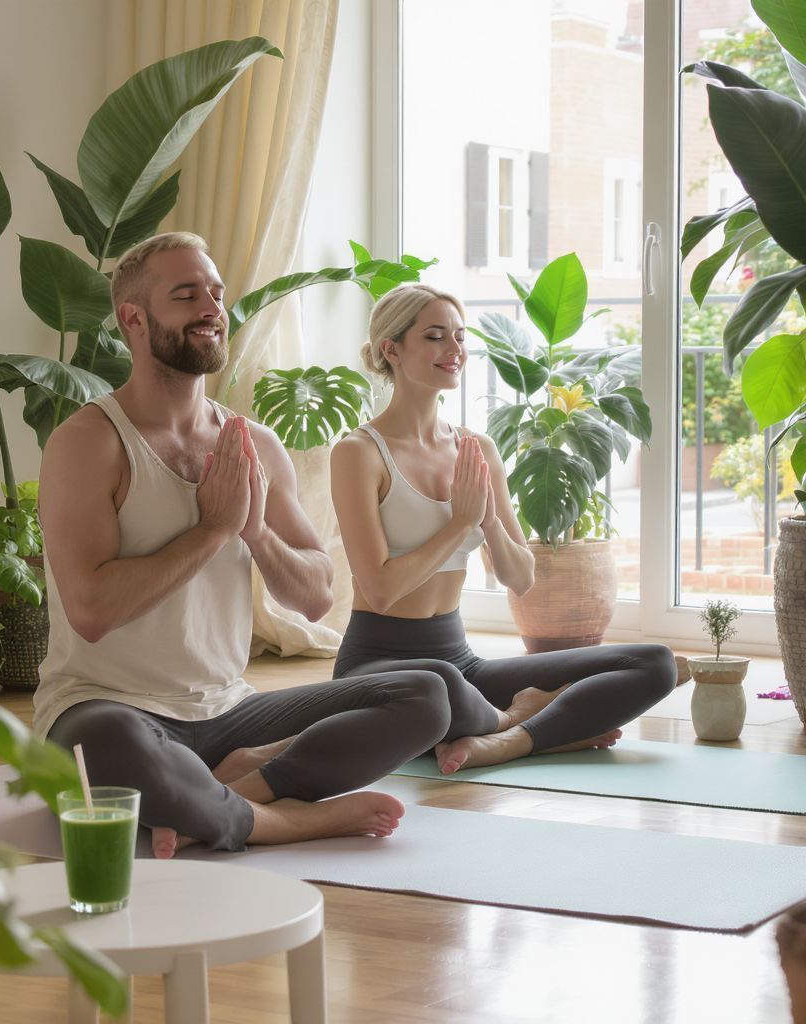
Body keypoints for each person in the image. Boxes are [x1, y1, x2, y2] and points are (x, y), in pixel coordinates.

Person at [35, 232, 464, 859]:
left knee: (428, 692)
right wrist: (210, 531)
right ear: (133, 318)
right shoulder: (89, 442)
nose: (211, 308)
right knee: (103, 742)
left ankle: (238, 789)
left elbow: (316, 597)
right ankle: (286, 821)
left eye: (215, 292)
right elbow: (92, 612)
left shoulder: (253, 445)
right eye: (187, 295)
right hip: (107, 708)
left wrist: (255, 530)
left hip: (229, 714)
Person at [329, 284, 677, 774]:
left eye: (459, 337)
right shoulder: (359, 453)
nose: (455, 351)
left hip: (459, 660)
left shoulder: (477, 448)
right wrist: (460, 524)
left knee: (654, 662)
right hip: (379, 664)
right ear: (392, 349)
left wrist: (489, 519)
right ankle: (535, 724)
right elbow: (380, 590)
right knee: (438, 687)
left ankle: (512, 739)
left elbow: (521, 578)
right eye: (434, 337)